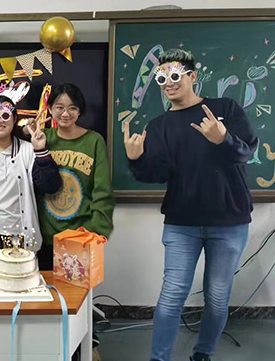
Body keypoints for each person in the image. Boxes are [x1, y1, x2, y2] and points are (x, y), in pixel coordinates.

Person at [123, 49, 257, 361]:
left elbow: (247, 152)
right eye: (161, 79)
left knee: (218, 297)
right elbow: (157, 174)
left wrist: (223, 138)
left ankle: (202, 354)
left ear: (192, 76)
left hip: (229, 221)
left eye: (175, 75)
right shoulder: (159, 126)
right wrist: (135, 159)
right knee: (172, 295)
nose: (168, 83)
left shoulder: (225, 108)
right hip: (181, 223)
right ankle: (159, 359)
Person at [0, 94, 61, 271]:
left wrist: (40, 150)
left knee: (21, 283)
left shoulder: (28, 151)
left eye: (5, 115)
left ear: (14, 118)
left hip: (20, 233)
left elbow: (51, 186)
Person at [35, 83, 115, 271]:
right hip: (46, 237)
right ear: (49, 109)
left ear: (80, 111)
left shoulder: (94, 141)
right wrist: (26, 131)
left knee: (77, 289)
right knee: (47, 288)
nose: (65, 114)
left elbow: (102, 190)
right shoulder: (41, 138)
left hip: (81, 235)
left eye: (72, 108)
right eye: (59, 107)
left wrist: (95, 232)